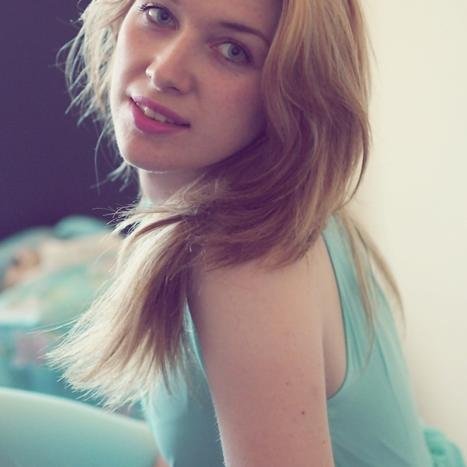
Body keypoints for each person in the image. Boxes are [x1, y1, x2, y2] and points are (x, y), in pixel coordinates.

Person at [40, 0, 465, 466]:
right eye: (159, 14)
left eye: (232, 51)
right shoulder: (264, 203)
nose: (165, 71)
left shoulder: (243, 263)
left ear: (291, 93)